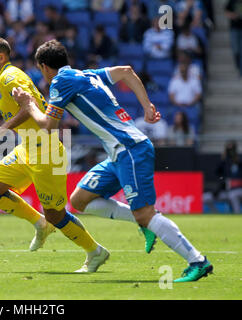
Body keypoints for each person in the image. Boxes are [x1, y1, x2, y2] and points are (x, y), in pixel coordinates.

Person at [12, 39, 213, 282]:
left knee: (145, 213)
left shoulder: (60, 81)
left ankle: (197, 261)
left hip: (130, 149)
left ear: (44, 67)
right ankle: (146, 221)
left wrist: (28, 104)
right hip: (119, 153)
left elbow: (48, 125)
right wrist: (147, 107)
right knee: (80, 200)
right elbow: (127, 71)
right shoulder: (88, 75)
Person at [0, 36, 108, 273]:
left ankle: (95, 251)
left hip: (45, 152)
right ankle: (40, 224)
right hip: (27, 148)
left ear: (1, 57)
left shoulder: (10, 77)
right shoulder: (5, 79)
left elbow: (33, 109)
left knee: (56, 214)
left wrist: (3, 128)